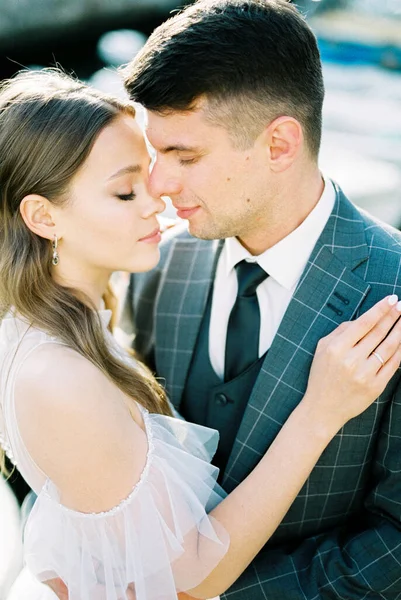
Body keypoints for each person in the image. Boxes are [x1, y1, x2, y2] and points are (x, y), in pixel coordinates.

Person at [0, 70, 400, 600]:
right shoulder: (57, 371)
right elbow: (193, 571)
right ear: (43, 216)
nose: (158, 200)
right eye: (125, 192)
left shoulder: (94, 309)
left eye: (158, 170)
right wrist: (319, 412)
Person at [121, 0, 401, 598]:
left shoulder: (392, 288)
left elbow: (395, 542)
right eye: (154, 154)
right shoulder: (159, 266)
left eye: (185, 156)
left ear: (279, 144)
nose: (158, 185)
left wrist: (208, 592)